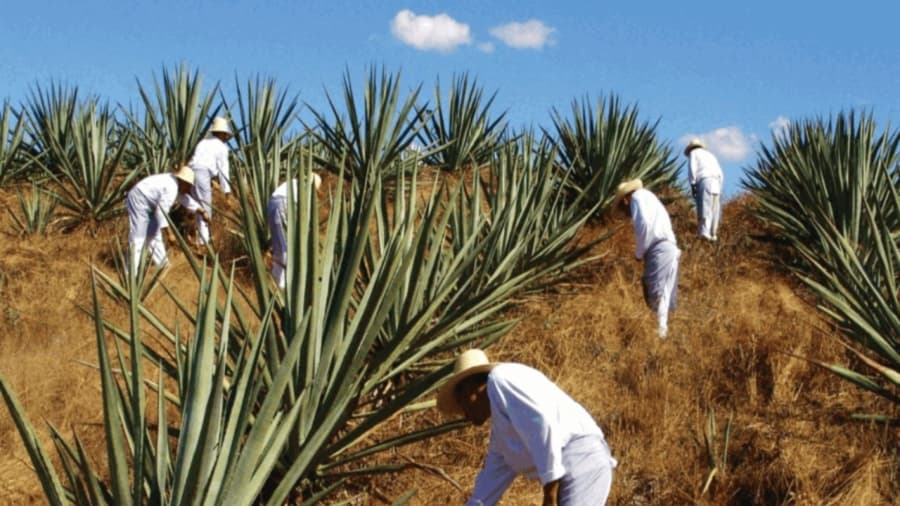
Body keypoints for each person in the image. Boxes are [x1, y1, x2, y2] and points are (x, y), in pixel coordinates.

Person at [437, 349, 617, 506]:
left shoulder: (500, 380)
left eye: (461, 403)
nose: (464, 414)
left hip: (580, 460)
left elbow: (542, 425)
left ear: (471, 390)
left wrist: (549, 495)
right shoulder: (501, 433)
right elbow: (487, 486)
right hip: (571, 468)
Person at [616, 178, 681, 338]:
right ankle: (668, 335)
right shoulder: (649, 197)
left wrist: (639, 253)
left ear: (625, 199)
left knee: (656, 293)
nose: (625, 211)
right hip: (669, 248)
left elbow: (643, 225)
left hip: (659, 250)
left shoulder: (637, 198)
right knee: (667, 295)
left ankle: (660, 336)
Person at [126, 165, 202, 274]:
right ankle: (131, 274)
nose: (189, 189)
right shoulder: (172, 187)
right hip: (139, 199)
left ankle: (164, 267)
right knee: (138, 237)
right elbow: (161, 212)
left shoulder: (176, 184)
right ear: (184, 182)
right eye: (189, 186)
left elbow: (184, 199)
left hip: (149, 203)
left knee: (153, 235)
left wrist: (201, 210)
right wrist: (169, 234)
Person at [267, 173, 323, 288]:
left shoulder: (293, 183)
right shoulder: (303, 188)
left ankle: (277, 281)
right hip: (282, 205)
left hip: (274, 205)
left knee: (280, 245)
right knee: (285, 247)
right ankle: (280, 284)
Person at [185, 116, 233, 246]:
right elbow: (223, 171)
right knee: (206, 206)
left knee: (196, 205)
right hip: (202, 173)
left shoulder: (203, 142)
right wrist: (227, 194)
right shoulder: (222, 147)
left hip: (189, 172)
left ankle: (194, 236)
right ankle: (203, 242)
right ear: (222, 133)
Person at [684, 138, 723, 241]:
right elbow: (720, 173)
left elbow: (692, 169)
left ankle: (704, 233)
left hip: (704, 180)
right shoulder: (711, 155)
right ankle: (713, 234)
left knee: (704, 206)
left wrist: (693, 184)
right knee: (714, 207)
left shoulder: (693, 153)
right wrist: (720, 185)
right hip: (716, 181)